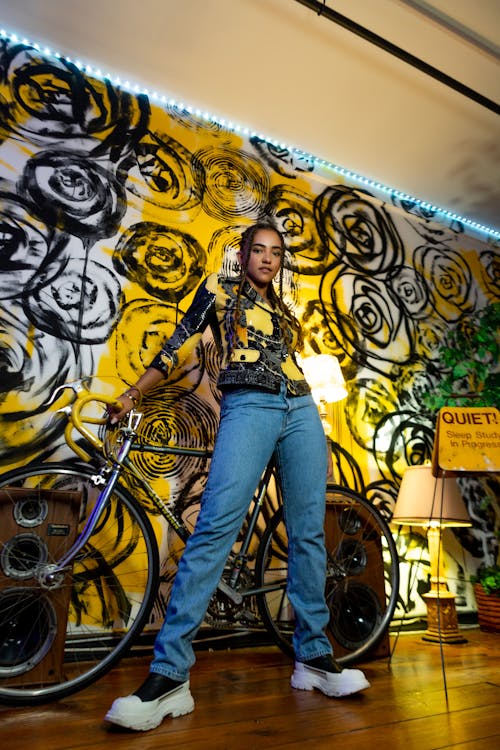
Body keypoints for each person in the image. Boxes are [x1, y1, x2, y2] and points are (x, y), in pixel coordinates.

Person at [104, 221, 370, 732]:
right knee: (214, 530)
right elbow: (178, 342)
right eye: (259, 250)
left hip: (301, 409)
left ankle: (314, 657)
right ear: (243, 254)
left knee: (308, 532)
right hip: (248, 405)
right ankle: (169, 676)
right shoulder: (219, 291)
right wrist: (133, 393)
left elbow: (288, 359)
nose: (268, 259)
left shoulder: (284, 311)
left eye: (276, 253)